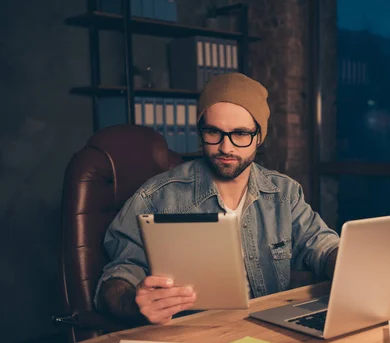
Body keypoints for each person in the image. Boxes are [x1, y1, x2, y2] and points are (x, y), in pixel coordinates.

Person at [95, 73, 340, 325]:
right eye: (214, 132)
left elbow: (322, 246)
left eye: (241, 134)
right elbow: (117, 278)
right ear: (201, 132)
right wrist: (134, 302)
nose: (226, 147)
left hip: (268, 329)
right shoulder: (156, 196)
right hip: (193, 336)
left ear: (259, 137)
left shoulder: (284, 193)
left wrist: (347, 265)